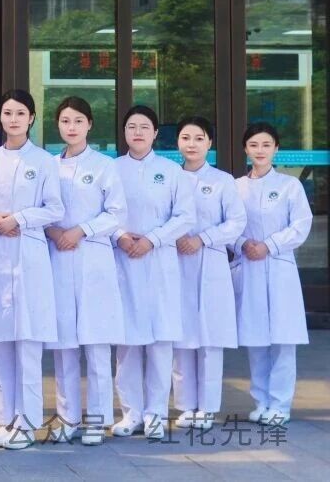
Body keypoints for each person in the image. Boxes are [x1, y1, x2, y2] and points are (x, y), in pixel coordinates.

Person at [0, 91, 63, 450]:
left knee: (28, 343)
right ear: (0, 117)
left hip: (28, 253)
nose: (13, 119)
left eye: (20, 113)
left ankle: (27, 423)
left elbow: (55, 209)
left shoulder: (43, 161)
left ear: (31, 118)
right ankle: (3, 419)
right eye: (7, 113)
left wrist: (19, 218)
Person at [44, 96, 127, 446]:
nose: (72, 127)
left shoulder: (105, 165)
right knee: (64, 345)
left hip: (93, 258)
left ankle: (97, 420)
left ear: (89, 124)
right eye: (65, 121)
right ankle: (67, 419)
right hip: (58, 257)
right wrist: (54, 232)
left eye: (78, 120)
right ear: (58, 125)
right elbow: (39, 207)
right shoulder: (48, 165)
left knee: (96, 344)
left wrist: (81, 231)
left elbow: (116, 212)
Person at [110, 105, 196, 440]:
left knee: (160, 342)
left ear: (156, 133)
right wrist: (121, 236)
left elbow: (185, 216)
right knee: (128, 343)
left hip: (159, 262)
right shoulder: (112, 169)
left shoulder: (171, 171)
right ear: (124, 132)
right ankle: (130, 413)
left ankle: (156, 414)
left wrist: (153, 239)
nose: (138, 132)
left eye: (144, 127)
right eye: (131, 126)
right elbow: (103, 211)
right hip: (123, 259)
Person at [233, 122, 311, 427]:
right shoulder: (236, 186)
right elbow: (228, 225)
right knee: (256, 340)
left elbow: (300, 225)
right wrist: (242, 244)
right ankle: (261, 401)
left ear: (276, 148)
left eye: (266, 145)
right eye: (254, 145)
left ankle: (280, 404)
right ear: (245, 149)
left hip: (279, 267)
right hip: (249, 266)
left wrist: (270, 245)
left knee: (282, 340)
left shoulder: (290, 186)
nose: (260, 150)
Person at [172, 116, 245, 431]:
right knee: (181, 337)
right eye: (186, 138)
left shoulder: (222, 180)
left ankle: (208, 407)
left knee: (210, 339)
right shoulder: (170, 177)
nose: (192, 144)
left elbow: (236, 221)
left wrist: (203, 239)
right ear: (177, 142)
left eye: (199, 138)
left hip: (210, 262)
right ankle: (186, 405)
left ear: (210, 143)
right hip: (176, 261)